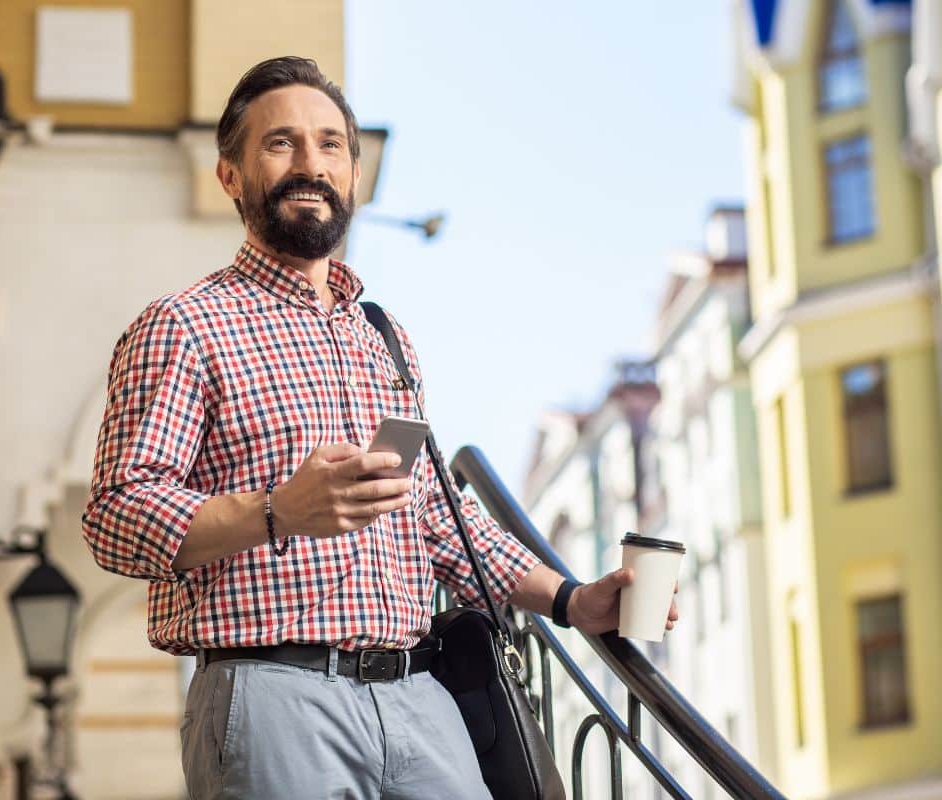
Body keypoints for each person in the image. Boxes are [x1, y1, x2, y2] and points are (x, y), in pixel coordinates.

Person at [83, 56, 678, 800]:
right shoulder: (184, 325)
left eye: (331, 145)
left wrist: (571, 599)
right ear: (230, 175)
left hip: (417, 697)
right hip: (273, 696)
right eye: (281, 144)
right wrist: (277, 512)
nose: (311, 164)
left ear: (354, 175)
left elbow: (433, 517)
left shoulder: (382, 336)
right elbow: (115, 516)